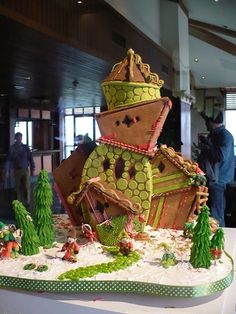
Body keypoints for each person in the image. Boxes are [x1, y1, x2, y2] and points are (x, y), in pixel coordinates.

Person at [198, 111, 234, 227]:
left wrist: (207, 147)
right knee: (211, 214)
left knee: (216, 215)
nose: (205, 125)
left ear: (212, 122)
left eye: (206, 122)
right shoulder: (214, 135)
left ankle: (218, 242)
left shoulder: (224, 135)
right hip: (213, 180)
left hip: (218, 181)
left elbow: (220, 156)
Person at [6, 132, 35, 207]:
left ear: (22, 138)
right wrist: (8, 171)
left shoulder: (25, 147)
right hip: (16, 170)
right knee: (17, 187)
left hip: (25, 169)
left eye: (20, 137)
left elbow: (30, 158)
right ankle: (18, 202)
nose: (19, 138)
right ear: (15, 138)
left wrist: (32, 168)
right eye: (18, 137)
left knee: (26, 186)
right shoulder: (12, 148)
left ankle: (27, 202)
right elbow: (9, 160)